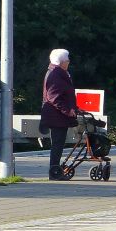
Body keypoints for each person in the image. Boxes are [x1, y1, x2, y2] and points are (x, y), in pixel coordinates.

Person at [40, 48, 78, 181]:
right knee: (57, 144)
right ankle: (54, 171)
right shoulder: (56, 74)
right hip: (56, 116)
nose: (69, 62)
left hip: (57, 116)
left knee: (58, 143)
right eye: (67, 60)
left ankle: (55, 170)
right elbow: (53, 97)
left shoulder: (58, 72)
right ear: (61, 62)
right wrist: (69, 111)